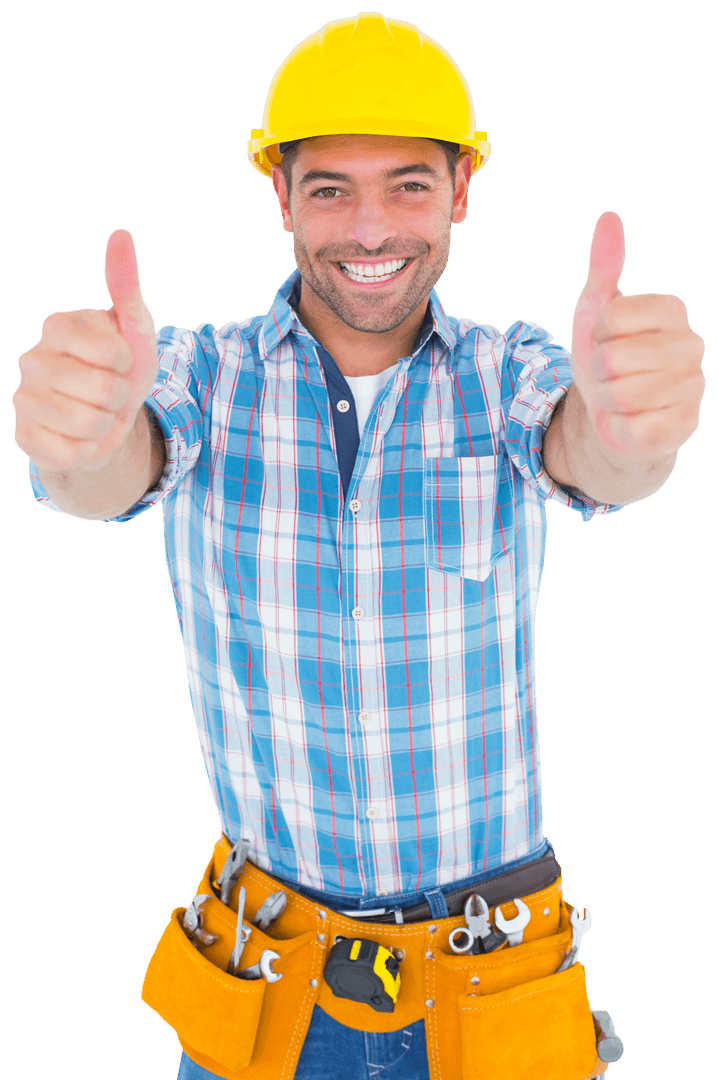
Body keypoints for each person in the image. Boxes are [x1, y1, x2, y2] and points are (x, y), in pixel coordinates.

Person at [12, 12, 704, 1080]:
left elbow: (588, 456)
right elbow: (114, 469)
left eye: (409, 185)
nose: (369, 227)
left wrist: (630, 432)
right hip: (267, 979)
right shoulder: (203, 376)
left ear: (462, 192)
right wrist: (76, 446)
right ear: (280, 196)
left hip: (487, 978)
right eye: (329, 186)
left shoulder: (503, 372)